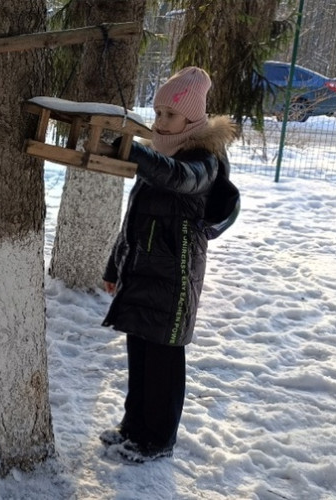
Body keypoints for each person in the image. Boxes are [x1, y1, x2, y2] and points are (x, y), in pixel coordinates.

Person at [97, 67, 237, 463]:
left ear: (192, 119)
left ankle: (157, 440)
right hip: (142, 272)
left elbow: (179, 179)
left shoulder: (203, 160)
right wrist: (113, 266)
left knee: (163, 362)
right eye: (157, 113)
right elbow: (134, 219)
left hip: (174, 278)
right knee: (139, 355)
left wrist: (134, 150)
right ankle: (133, 428)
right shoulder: (161, 154)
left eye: (169, 115)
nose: (160, 122)